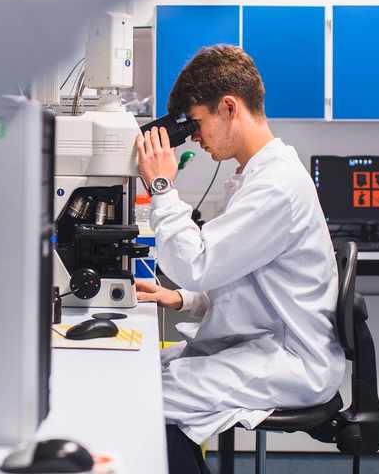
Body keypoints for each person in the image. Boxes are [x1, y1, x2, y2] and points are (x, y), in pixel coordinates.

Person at [135, 45, 345, 474]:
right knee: (145, 375)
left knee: (142, 396)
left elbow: (197, 264)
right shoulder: (255, 177)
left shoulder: (276, 187)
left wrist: (160, 185)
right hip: (264, 343)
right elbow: (245, 287)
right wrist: (183, 300)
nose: (194, 136)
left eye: (196, 122)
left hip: (292, 361)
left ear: (228, 107)